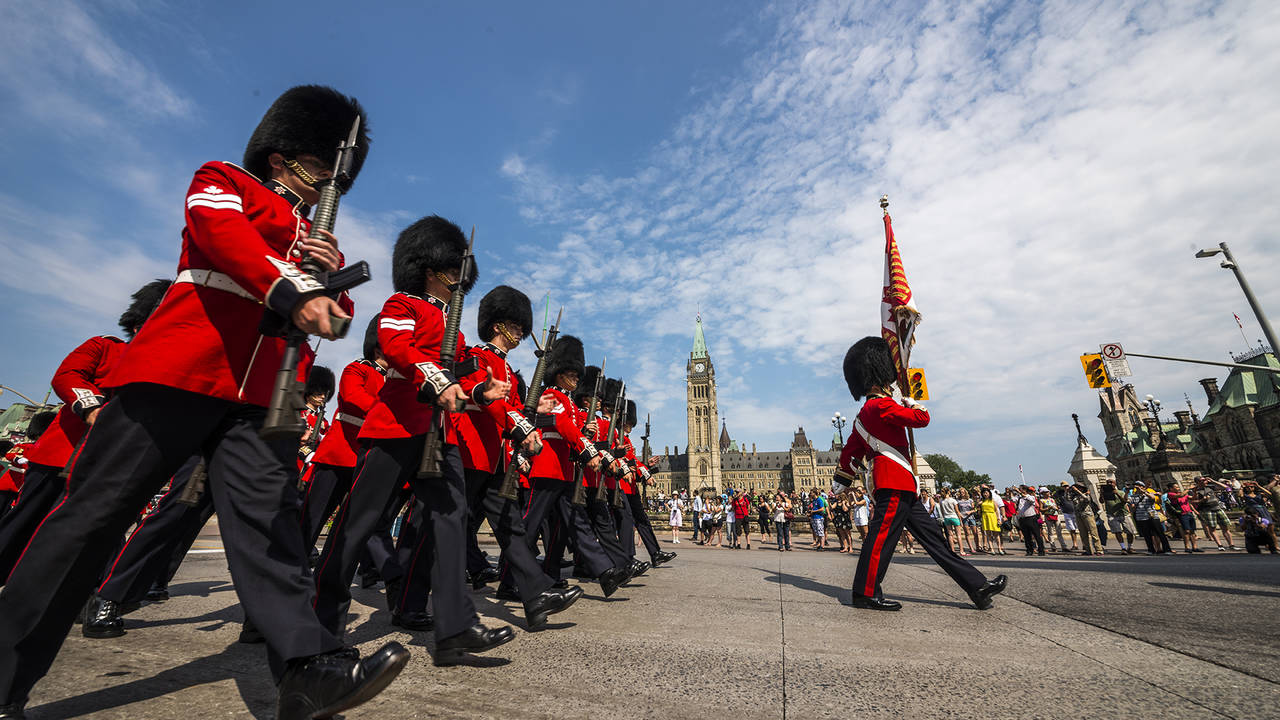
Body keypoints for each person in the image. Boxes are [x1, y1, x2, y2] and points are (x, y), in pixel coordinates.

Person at [0, 86, 413, 720]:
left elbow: (333, 316)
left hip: (258, 396)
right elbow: (218, 234)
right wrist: (286, 276)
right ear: (282, 159)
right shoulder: (225, 181)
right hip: (178, 372)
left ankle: (307, 670)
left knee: (271, 528)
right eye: (322, 168)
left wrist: (326, 277)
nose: (329, 182)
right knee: (91, 521)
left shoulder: (313, 232)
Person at [311, 214, 516, 666]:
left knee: (449, 522)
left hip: (440, 434)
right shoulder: (402, 305)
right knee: (358, 524)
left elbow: (462, 378)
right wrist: (437, 378)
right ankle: (320, 621)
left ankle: (455, 628)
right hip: (397, 425)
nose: (460, 282)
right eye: (453, 273)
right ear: (431, 269)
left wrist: (483, 390)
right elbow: (400, 350)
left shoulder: (456, 329)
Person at [0, 280, 170, 583]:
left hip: (113, 464)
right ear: (138, 323)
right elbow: (67, 375)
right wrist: (91, 409)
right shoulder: (104, 347)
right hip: (61, 456)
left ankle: (86, 595)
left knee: (99, 536)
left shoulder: (164, 370)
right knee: (23, 526)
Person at [836, 337, 1006, 612]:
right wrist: (912, 403)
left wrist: (842, 479)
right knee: (880, 539)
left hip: (900, 484)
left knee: (935, 539)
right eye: (889, 382)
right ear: (879, 378)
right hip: (894, 482)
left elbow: (850, 454)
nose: (892, 386)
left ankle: (976, 586)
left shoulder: (861, 416)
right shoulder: (881, 406)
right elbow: (922, 419)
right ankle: (864, 592)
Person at [1191, 476, 1236, 550]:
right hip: (1207, 510)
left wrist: (1213, 481)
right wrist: (1201, 500)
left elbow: (1227, 488)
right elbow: (1191, 501)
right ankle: (1220, 545)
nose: (1205, 481)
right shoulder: (1195, 490)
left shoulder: (1210, 487)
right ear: (1198, 482)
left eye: (1205, 480)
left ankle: (1231, 545)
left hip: (1217, 508)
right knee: (1213, 528)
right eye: (1202, 480)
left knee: (1225, 527)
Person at [1130, 481, 1171, 555]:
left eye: (1139, 486)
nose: (1137, 488)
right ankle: (1151, 550)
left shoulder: (1149, 494)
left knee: (1160, 533)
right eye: (1136, 486)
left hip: (1152, 516)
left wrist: (1144, 492)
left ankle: (1167, 549)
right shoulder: (1133, 496)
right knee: (1147, 535)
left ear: (1142, 487)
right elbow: (1128, 501)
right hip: (1141, 517)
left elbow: (1153, 498)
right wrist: (1127, 492)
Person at [1101, 480, 1137, 554]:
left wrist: (1117, 494)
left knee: (1130, 531)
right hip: (1112, 515)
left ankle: (1130, 547)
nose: (1109, 484)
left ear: (1115, 484)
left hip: (1123, 514)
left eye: (1111, 482)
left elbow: (1124, 501)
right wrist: (1101, 494)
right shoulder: (1106, 493)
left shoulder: (1121, 492)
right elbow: (1101, 501)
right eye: (1108, 483)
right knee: (1117, 532)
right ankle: (1123, 548)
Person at [1165, 483, 1200, 554]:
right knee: (1186, 531)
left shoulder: (1183, 493)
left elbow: (1193, 498)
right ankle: (1187, 547)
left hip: (1189, 513)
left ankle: (1195, 547)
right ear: (1171, 488)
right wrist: (1189, 488)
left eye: (1178, 487)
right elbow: (1181, 495)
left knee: (1192, 531)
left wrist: (1195, 491)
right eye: (1176, 487)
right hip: (1182, 514)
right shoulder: (1170, 494)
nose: (1178, 488)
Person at [1015, 486, 1045, 556]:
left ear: (1025, 490)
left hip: (1031, 518)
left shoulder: (1030, 497)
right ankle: (1029, 550)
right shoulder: (1020, 498)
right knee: (1026, 536)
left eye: (1021, 489)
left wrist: (1022, 493)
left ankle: (1041, 550)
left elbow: (1032, 501)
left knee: (1037, 535)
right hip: (1023, 519)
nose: (1019, 491)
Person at [978, 488, 1005, 555]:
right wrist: (978, 505)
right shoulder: (981, 502)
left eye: (986, 492)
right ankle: (992, 549)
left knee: (996, 534)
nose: (985, 494)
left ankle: (999, 548)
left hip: (993, 516)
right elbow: (978, 512)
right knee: (988, 534)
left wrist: (998, 519)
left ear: (989, 493)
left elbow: (996, 510)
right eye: (984, 493)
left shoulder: (992, 501)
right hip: (985, 517)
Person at [938, 488, 964, 555]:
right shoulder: (953, 500)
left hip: (947, 518)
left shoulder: (941, 501)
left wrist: (944, 517)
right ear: (948, 492)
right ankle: (961, 550)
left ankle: (952, 550)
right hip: (954, 517)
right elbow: (957, 511)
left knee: (950, 535)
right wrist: (960, 520)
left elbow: (942, 511)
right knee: (958, 535)